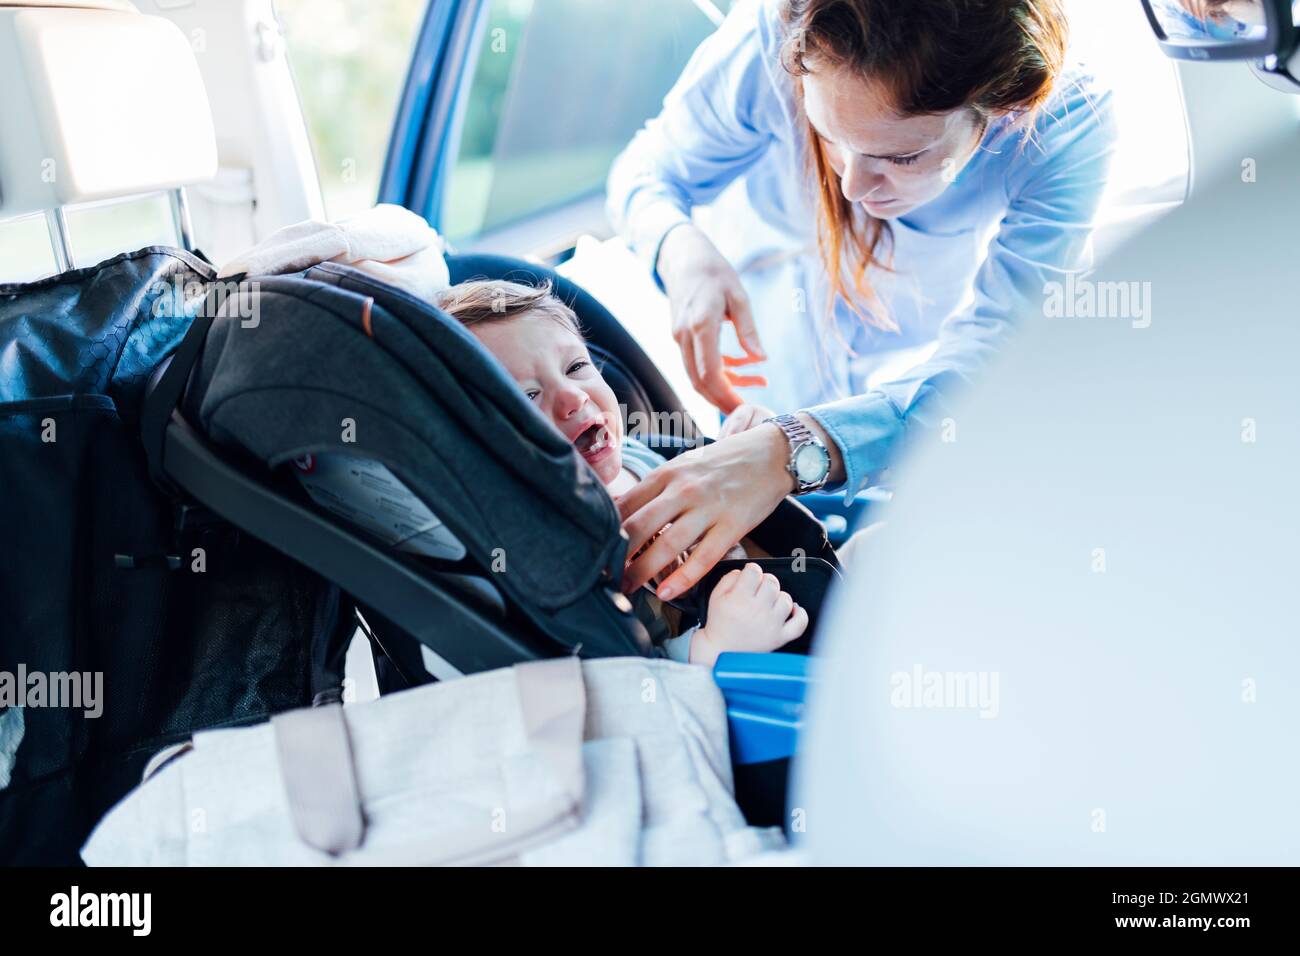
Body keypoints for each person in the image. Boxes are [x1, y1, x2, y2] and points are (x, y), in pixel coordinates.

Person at [605, 0, 1117, 602]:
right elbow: (645, 174)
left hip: (914, 388)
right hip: (767, 359)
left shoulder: (1068, 120)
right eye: (828, 137)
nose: (851, 184)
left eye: (901, 157)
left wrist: (789, 452)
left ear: (1002, 109)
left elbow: (998, 351)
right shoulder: (768, 45)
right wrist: (678, 246)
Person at [433, 279, 808, 666]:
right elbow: (617, 684)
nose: (573, 396)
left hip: (809, 587)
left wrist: (753, 450)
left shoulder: (642, 455)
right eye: (527, 396)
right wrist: (712, 649)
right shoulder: (549, 558)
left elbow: (736, 490)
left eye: (576, 367)